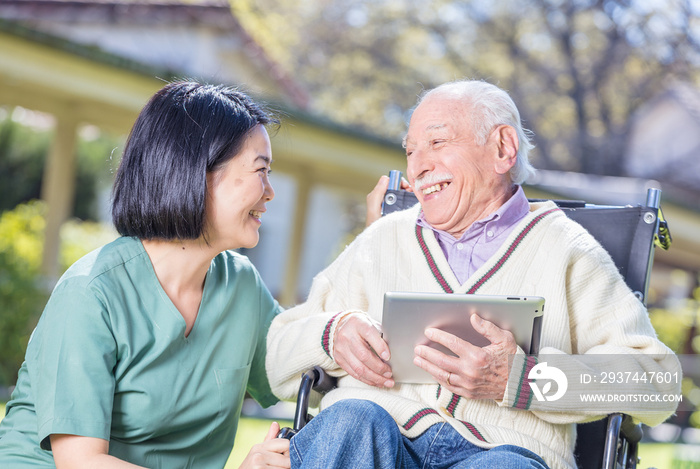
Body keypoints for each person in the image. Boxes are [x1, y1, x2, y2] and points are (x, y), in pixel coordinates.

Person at [265, 79, 681, 469]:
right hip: (373, 440)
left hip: (504, 450)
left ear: (503, 148)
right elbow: (278, 357)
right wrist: (331, 335)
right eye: (411, 151)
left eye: (437, 142)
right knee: (349, 419)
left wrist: (523, 379)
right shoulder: (383, 239)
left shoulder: (569, 252)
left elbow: (657, 383)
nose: (419, 167)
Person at [0, 81, 290, 468]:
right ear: (197, 173)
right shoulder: (91, 292)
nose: (270, 192)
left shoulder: (240, 285)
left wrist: (378, 235)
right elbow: (81, 463)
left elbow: (305, 369)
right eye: (260, 170)